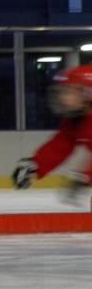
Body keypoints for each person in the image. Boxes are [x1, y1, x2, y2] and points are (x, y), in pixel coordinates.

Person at [13, 65, 92, 208]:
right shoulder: (77, 119)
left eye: (68, 92)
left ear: (87, 92)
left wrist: (84, 177)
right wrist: (35, 164)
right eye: (62, 92)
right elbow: (60, 145)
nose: (62, 98)